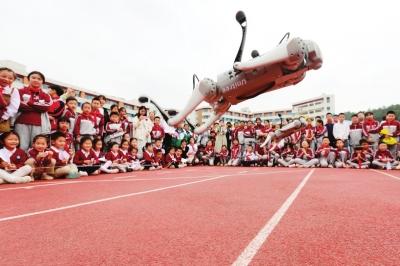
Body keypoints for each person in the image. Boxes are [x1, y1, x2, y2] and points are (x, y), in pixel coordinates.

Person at [14, 71, 52, 150]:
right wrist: (38, 107)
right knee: (21, 145)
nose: (36, 80)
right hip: (21, 122)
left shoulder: (46, 95)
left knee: (36, 146)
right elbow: (19, 105)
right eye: (33, 78)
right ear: (28, 79)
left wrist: (29, 102)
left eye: (39, 79)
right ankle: (20, 162)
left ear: (42, 82)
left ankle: (32, 162)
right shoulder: (19, 91)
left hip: (39, 124)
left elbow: (46, 107)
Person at [0, 67, 20, 134]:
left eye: (10, 78)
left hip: (2, 119)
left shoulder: (13, 90)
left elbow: (14, 107)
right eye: (3, 76)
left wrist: (4, 117)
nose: (6, 79)